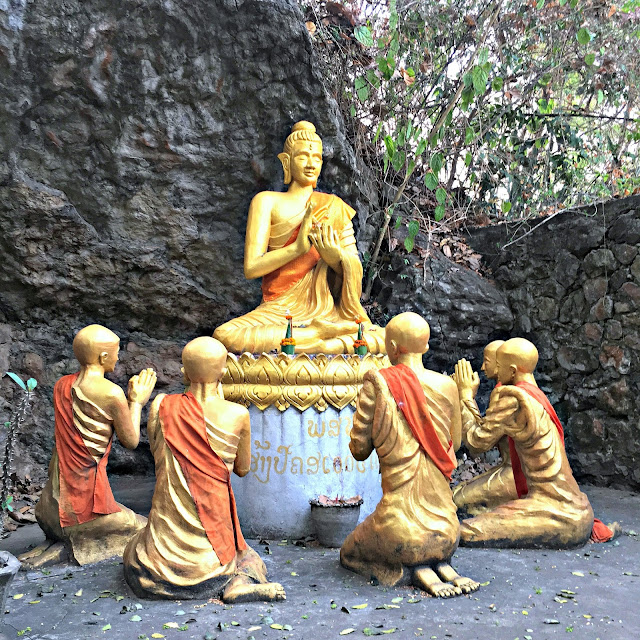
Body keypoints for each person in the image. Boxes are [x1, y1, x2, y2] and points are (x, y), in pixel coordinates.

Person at [124, 337, 285, 602]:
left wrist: (136, 401)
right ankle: (237, 584)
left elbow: (158, 457)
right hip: (213, 559)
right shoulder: (237, 414)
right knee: (250, 561)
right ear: (223, 372)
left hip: (156, 566)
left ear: (183, 372)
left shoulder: (161, 406)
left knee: (133, 548)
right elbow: (242, 469)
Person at [213, 121, 385, 354]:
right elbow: (251, 268)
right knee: (224, 336)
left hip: (327, 311)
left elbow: (353, 265)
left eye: (317, 157)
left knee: (382, 337)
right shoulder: (266, 201)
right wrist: (297, 248)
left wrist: (334, 258)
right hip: (277, 311)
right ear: (286, 161)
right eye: (303, 156)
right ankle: (318, 336)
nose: (311, 163)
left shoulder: (333, 207)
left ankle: (311, 340)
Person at [340, 313, 480, 597]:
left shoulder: (378, 384)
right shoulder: (448, 386)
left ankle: (403, 570)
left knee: (348, 553)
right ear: (426, 347)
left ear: (391, 346)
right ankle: (438, 566)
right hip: (447, 531)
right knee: (426, 542)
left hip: (399, 532)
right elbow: (454, 444)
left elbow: (358, 450)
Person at [455, 338, 615, 548]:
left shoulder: (515, 399)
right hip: (572, 505)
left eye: (498, 365)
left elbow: (477, 442)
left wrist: (465, 396)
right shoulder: (534, 393)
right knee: (462, 507)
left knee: (465, 531)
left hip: (558, 512)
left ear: (512, 371)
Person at [20, 325, 155, 567]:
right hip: (82, 511)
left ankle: (56, 541)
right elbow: (131, 440)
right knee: (143, 526)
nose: (117, 357)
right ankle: (72, 542)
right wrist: (136, 401)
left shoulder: (61, 385)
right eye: (116, 352)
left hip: (48, 508)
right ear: (103, 357)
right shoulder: (112, 393)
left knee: (123, 515)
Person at [451, 340, 519, 515]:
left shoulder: (509, 398)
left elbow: (477, 443)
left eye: (486, 362)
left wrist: (464, 395)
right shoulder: (507, 390)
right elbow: (488, 428)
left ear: (500, 365)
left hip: (519, 475)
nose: (482, 368)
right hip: (511, 468)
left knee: (457, 501)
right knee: (458, 491)